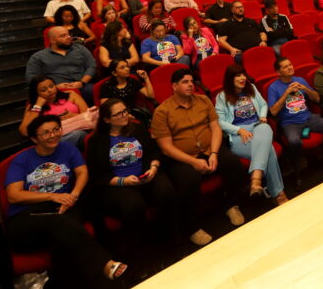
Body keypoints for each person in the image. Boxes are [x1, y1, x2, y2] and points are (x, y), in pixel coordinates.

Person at [4, 115, 127, 287]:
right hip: (26, 218)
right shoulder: (21, 160)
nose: (53, 135)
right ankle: (104, 264)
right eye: (45, 133)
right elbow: (14, 195)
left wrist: (73, 196)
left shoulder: (67, 149)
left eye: (56, 129)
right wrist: (51, 195)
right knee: (62, 225)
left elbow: (82, 172)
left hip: (61, 209)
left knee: (65, 238)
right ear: (34, 138)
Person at [151, 69, 247, 246]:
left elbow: (216, 128)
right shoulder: (162, 111)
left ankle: (230, 205)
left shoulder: (203, 100)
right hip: (182, 157)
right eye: (185, 82)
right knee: (189, 179)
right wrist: (193, 161)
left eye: (191, 81)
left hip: (209, 148)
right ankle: (191, 226)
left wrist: (214, 153)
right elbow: (166, 148)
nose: (190, 85)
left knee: (234, 164)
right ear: (174, 86)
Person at [86, 99, 178, 263]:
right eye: (118, 113)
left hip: (145, 175)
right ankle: (138, 255)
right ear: (107, 119)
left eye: (125, 110)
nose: (125, 115)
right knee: (134, 205)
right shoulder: (96, 141)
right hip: (117, 184)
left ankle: (168, 243)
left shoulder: (138, 129)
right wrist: (123, 181)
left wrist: (154, 168)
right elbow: (97, 176)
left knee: (165, 191)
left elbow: (154, 153)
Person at [214, 64, 288, 205]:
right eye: (238, 75)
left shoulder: (251, 89)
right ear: (230, 78)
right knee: (270, 151)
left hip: (257, 127)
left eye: (243, 74)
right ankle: (278, 194)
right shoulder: (222, 96)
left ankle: (256, 178)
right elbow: (220, 122)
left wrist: (262, 116)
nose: (242, 78)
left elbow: (264, 105)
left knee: (265, 127)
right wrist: (238, 130)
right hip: (239, 134)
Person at [268, 58, 323, 182]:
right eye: (285, 67)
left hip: (308, 117)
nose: (290, 67)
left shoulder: (300, 80)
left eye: (290, 64)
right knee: (294, 141)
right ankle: (298, 172)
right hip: (290, 123)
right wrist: (286, 93)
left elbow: (317, 99)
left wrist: (305, 89)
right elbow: (273, 111)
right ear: (278, 72)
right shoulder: (273, 87)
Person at [26, 26, 96, 102]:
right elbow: (31, 78)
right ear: (52, 41)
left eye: (68, 34)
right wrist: (54, 87)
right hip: (57, 91)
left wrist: (82, 82)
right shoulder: (38, 57)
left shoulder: (80, 49)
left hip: (82, 85)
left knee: (94, 91)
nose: (68, 37)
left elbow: (91, 66)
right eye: (63, 36)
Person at [19, 75, 91, 148]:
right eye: (44, 90)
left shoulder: (71, 94)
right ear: (36, 93)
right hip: (55, 138)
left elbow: (89, 116)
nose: (50, 90)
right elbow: (25, 132)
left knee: (79, 134)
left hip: (78, 129)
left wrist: (74, 116)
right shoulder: (34, 106)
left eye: (51, 86)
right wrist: (38, 106)